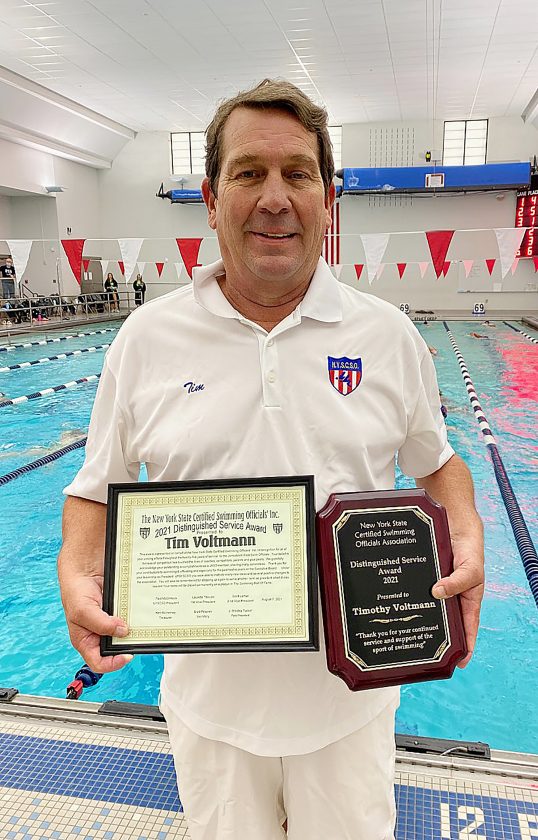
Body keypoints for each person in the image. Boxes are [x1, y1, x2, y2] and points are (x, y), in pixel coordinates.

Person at [58, 79, 484, 840]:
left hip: (352, 708)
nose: (275, 198)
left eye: (298, 174)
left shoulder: (386, 334)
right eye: (248, 173)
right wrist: (79, 569)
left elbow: (439, 463)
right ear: (210, 198)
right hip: (209, 713)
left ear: (329, 198)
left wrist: (468, 531)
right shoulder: (146, 339)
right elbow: (97, 487)